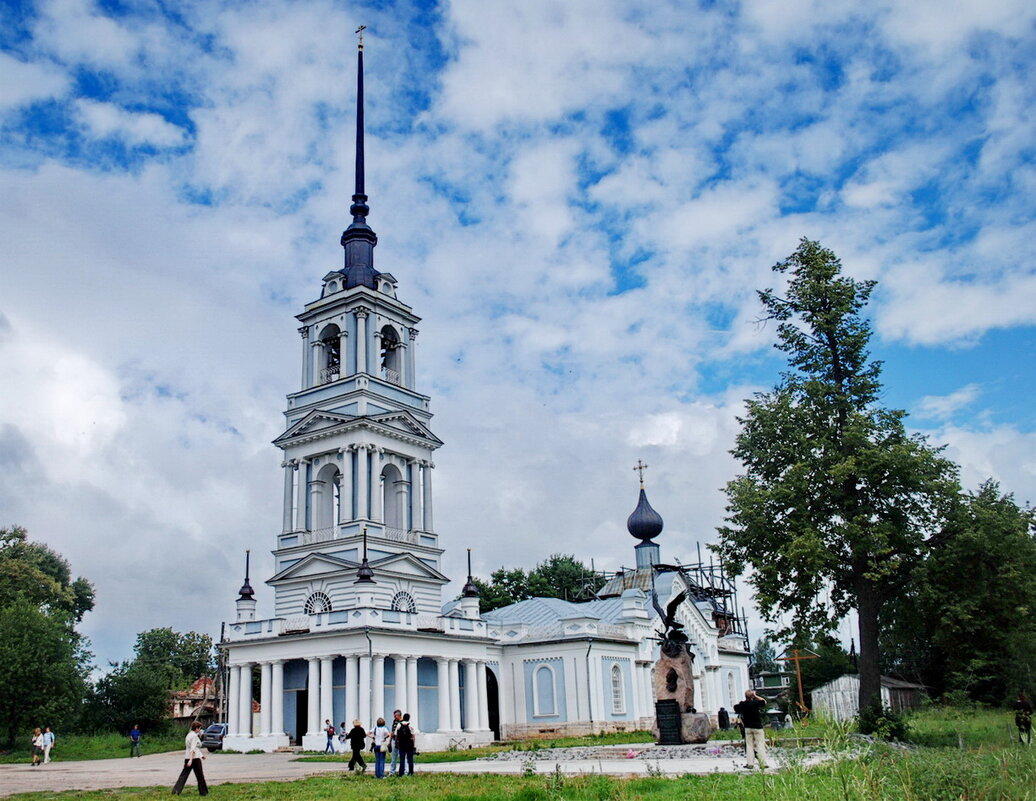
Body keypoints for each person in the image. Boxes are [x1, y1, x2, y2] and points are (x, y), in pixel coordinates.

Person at [733, 689, 768, 769]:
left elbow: (736, 707)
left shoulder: (742, 704)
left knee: (749, 745)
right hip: (757, 727)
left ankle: (750, 764)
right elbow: (764, 702)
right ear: (753, 696)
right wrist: (755, 696)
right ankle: (762, 763)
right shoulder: (756, 703)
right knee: (760, 744)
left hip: (748, 727)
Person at [171, 721, 208, 796]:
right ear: (196, 728)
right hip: (194, 759)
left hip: (187, 757)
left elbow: (192, 748)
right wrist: (191, 760)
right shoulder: (194, 736)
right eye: (199, 728)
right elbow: (193, 749)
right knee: (200, 776)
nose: (200, 730)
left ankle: (176, 790)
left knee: (184, 775)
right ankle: (203, 792)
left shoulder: (189, 735)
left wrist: (201, 755)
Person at [388, 709, 402, 774]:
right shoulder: (394, 721)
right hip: (394, 740)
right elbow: (392, 732)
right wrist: (389, 741)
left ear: (399, 715)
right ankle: (392, 772)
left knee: (402, 756)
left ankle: (403, 771)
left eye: (395, 716)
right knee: (393, 757)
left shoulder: (402, 722)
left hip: (400, 740)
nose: (394, 717)